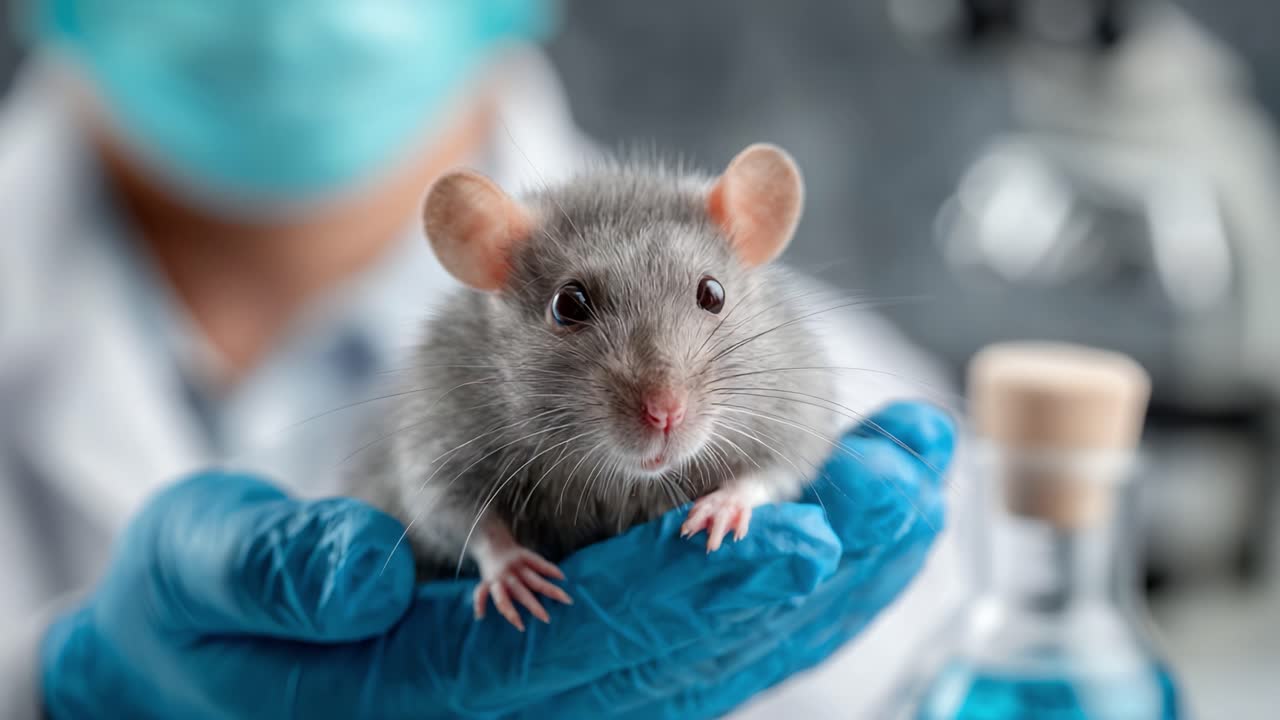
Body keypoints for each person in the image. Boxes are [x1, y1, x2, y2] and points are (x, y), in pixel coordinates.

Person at [0, 1, 964, 717]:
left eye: (709, 300)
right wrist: (56, 696)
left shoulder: (851, 374)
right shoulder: (459, 368)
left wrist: (752, 487)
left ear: (749, 235)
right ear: (480, 249)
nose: (666, 397)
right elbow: (442, 480)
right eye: (577, 308)